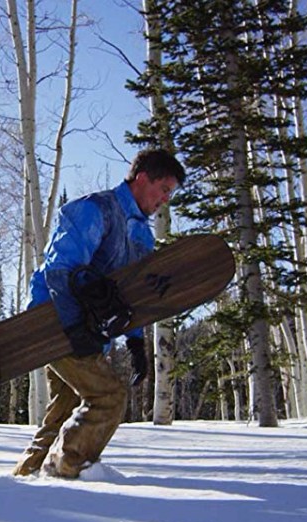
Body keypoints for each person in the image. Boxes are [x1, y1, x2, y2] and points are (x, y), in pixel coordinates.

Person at [13, 148, 186, 479]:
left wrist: (136, 343)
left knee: (63, 411)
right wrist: (73, 328)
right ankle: (64, 469)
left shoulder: (141, 234)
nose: (165, 200)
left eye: (170, 194)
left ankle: (23, 481)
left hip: (89, 332)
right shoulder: (95, 210)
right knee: (108, 397)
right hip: (52, 322)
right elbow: (60, 271)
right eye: (164, 189)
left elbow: (131, 294)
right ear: (142, 178)